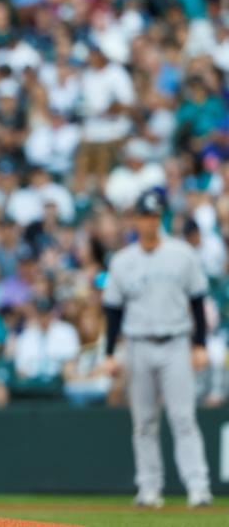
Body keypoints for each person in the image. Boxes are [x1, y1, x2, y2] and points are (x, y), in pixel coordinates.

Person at [102, 190, 213, 508]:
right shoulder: (123, 260)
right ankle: (149, 489)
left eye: (154, 216)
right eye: (144, 216)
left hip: (176, 341)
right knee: (144, 422)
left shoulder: (181, 254)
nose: (150, 222)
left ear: (160, 218)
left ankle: (198, 487)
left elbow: (197, 300)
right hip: (138, 343)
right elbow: (113, 310)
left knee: (183, 418)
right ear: (136, 219)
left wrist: (200, 345)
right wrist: (109, 353)